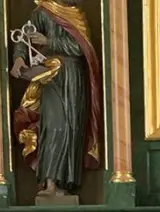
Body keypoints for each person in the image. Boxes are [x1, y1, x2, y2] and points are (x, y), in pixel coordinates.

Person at [9, 0, 103, 197]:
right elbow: (23, 38)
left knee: (72, 128)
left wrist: (48, 41)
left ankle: (64, 183)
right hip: (50, 77)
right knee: (53, 126)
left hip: (74, 79)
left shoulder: (77, 14)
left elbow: (80, 48)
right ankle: (49, 182)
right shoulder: (43, 12)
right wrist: (19, 58)